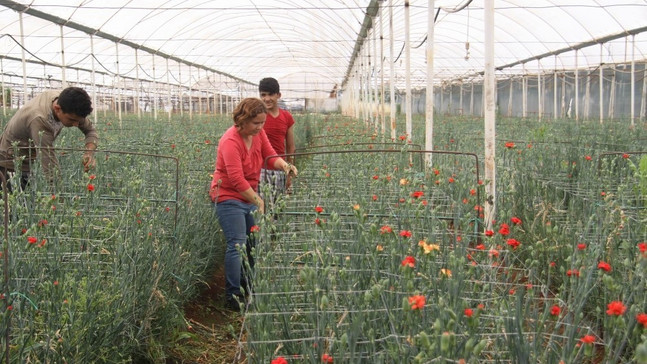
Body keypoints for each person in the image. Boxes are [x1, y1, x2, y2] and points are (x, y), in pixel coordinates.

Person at [209, 97, 297, 311]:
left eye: (262, 123)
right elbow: (237, 180)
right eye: (256, 123)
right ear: (243, 120)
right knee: (237, 243)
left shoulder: (258, 134)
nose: (260, 127)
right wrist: (259, 201)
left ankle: (248, 286)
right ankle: (232, 296)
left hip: (248, 194)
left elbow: (270, 155)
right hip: (229, 196)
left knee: (253, 243)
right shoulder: (230, 141)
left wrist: (285, 166)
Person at [0, 86, 98, 190]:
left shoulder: (68, 103)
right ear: (57, 109)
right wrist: (59, 198)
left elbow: (90, 131)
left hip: (30, 160)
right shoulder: (39, 119)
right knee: (15, 201)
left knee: (29, 198)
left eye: (79, 120)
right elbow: (49, 163)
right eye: (72, 120)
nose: (76, 124)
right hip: (10, 162)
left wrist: (89, 153)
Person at [258, 78, 296, 202]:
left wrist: (289, 173)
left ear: (278, 95)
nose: (267, 99)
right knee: (262, 207)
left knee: (278, 207)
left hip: (280, 168)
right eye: (263, 95)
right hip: (260, 169)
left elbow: (291, 147)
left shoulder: (286, 116)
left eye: (271, 94)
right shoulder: (257, 117)